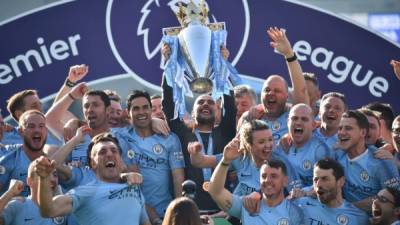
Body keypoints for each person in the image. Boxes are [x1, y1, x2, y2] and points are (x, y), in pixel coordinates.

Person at [162, 67, 237, 211]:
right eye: (200, 102)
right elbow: (169, 106)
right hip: (191, 210)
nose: (205, 104)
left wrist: (222, 64)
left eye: (210, 103)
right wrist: (169, 66)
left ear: (217, 111)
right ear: (192, 112)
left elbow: (230, 105)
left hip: (221, 210)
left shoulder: (225, 132)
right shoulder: (182, 133)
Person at [35, 133, 151, 225]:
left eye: (114, 150)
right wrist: (44, 178)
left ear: (120, 161)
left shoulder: (133, 186)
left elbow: (145, 222)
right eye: (102, 152)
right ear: (93, 163)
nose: (109, 154)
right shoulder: (87, 191)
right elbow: (49, 210)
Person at [114, 90, 185, 223]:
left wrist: (178, 212)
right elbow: (95, 128)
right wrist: (73, 124)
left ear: (151, 110)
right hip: (134, 214)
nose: (141, 112)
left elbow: (178, 178)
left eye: (146, 107)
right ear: (127, 113)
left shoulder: (169, 139)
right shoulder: (120, 136)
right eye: (136, 108)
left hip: (166, 213)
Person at [189, 120, 302, 195]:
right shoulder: (239, 156)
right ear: (248, 145)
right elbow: (200, 162)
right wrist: (195, 152)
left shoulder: (280, 162)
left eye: (270, 139)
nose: (268, 145)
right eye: (262, 142)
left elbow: (296, 194)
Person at [208, 139, 304, 225]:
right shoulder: (247, 205)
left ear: (285, 181)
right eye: (264, 176)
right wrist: (225, 160)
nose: (267, 180)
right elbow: (216, 192)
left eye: (274, 176)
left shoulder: (294, 212)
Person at [240, 27, 310, 143]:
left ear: (287, 96)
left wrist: (289, 54)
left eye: (277, 91)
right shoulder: (250, 118)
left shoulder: (295, 117)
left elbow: (301, 91)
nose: (271, 93)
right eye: (266, 90)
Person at [335, 110, 400, 211]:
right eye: (340, 128)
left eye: (348, 128)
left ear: (363, 132)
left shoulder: (382, 161)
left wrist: (350, 209)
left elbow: (393, 198)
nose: (342, 132)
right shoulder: (337, 154)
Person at [292, 158, 369, 225]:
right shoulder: (300, 205)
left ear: (341, 182)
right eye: (316, 180)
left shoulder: (357, 218)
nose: (318, 184)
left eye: (324, 179)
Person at [276, 103, 331, 186]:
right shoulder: (280, 147)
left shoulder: (319, 150)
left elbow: (325, 183)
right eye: (294, 118)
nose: (298, 122)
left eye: (304, 119)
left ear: (313, 125)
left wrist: (305, 192)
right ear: (288, 122)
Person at [0, 161, 67, 225]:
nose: (52, 179)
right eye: (43, 175)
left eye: (55, 175)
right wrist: (10, 193)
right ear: (30, 181)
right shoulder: (17, 205)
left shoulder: (63, 208)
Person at [0, 110, 48, 196]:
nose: (37, 130)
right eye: (31, 126)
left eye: (41, 126)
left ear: (46, 131)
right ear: (21, 131)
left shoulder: (52, 159)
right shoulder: (10, 160)